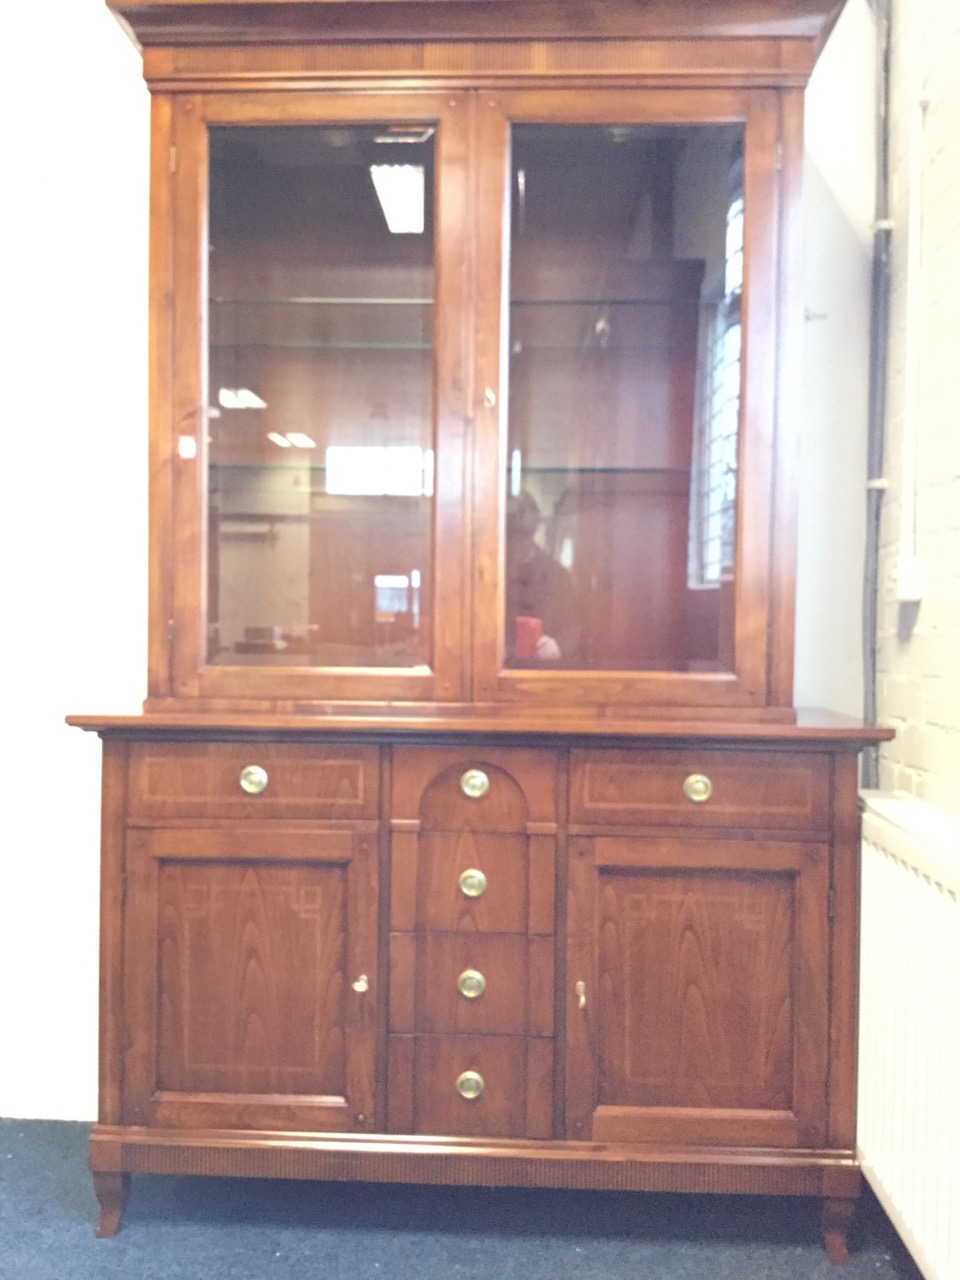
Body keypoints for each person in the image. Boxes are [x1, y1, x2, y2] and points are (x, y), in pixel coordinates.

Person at [505, 491, 578, 664]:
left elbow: (574, 627)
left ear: (533, 530)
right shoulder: (485, 572)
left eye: (522, 535)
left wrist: (558, 646)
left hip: (541, 673)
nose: (516, 544)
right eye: (511, 535)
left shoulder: (557, 575)